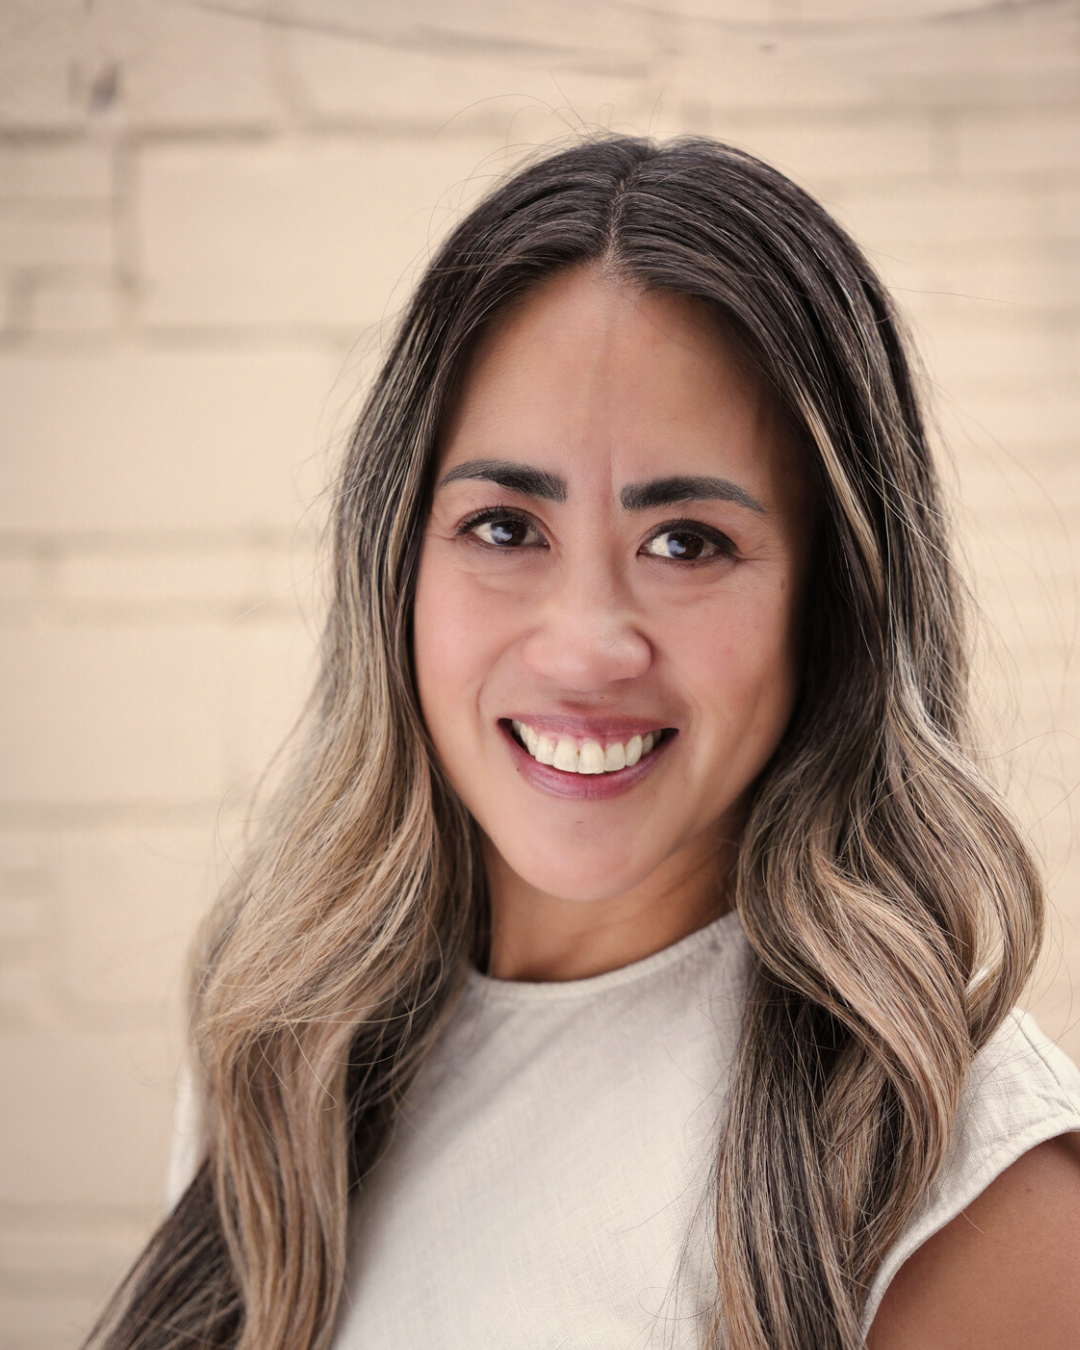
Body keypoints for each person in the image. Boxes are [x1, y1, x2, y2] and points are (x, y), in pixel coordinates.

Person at [86, 136, 1080, 1350]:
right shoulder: (287, 1040)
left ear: (832, 604)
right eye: (505, 528)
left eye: (688, 543)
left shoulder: (959, 1190)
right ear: (396, 563)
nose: (584, 647)